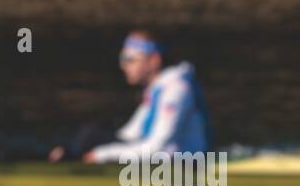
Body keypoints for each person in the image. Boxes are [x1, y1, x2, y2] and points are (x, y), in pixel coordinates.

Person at [50, 30, 211, 162]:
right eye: (122, 60)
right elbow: (129, 135)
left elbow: (158, 147)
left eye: (131, 60)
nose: (123, 66)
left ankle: (64, 165)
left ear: (154, 61)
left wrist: (101, 155)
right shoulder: (156, 89)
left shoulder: (176, 90)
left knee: (91, 137)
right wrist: (94, 148)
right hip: (161, 156)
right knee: (91, 133)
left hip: (186, 163)